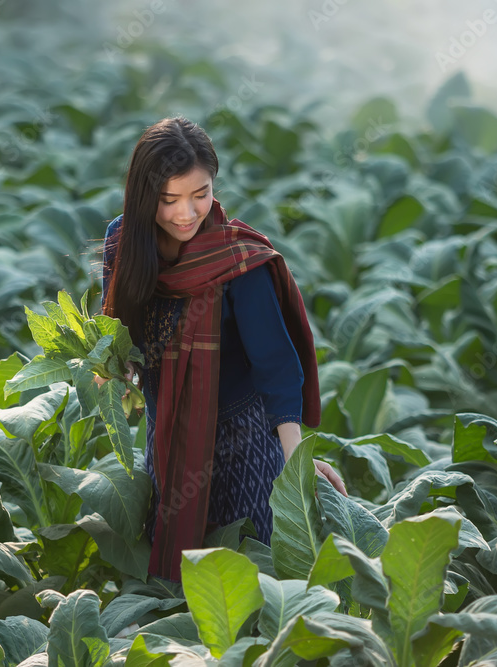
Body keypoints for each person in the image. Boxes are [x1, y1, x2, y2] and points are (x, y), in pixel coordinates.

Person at [97, 116, 346, 582]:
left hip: (244, 443)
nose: (186, 213)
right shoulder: (124, 240)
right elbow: (117, 332)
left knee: (252, 578)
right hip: (167, 433)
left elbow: (276, 365)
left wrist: (296, 463)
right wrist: (114, 369)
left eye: (201, 194)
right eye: (169, 199)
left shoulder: (236, 261)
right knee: (179, 581)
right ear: (144, 193)